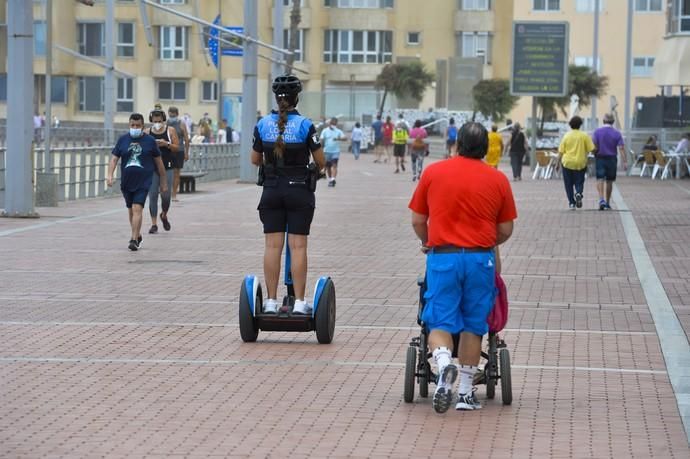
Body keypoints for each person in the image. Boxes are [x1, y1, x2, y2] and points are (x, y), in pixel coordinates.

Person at [408, 122, 517, 413]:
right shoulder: (497, 179)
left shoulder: (433, 172)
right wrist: (486, 240)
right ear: (485, 148)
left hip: (443, 256)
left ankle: (443, 364)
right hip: (481, 259)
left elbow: (418, 220)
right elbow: (506, 228)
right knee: (473, 323)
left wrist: (427, 241)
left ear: (456, 144)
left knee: (439, 320)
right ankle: (467, 394)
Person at [250, 74, 326, 315]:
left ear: (276, 98)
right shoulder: (305, 125)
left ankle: (270, 302)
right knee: (298, 246)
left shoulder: (263, 124)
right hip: (299, 190)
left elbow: (254, 160)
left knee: (273, 247)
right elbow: (320, 161)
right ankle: (301, 303)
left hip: (271, 190)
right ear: (297, 98)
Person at [107, 113, 167, 251]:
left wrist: (163, 182)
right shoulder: (122, 140)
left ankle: (133, 239)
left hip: (143, 182)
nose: (135, 128)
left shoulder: (150, 141)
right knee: (130, 210)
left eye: (138, 125)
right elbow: (114, 159)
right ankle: (137, 234)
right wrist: (110, 175)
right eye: (132, 125)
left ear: (143, 126)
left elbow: (159, 163)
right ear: (129, 125)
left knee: (137, 208)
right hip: (127, 182)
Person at [145, 105, 179, 233]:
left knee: (165, 195)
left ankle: (164, 214)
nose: (157, 123)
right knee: (153, 194)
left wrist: (167, 144)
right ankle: (154, 224)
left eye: (159, 121)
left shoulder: (170, 131)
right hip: (152, 167)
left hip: (167, 165)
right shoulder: (147, 132)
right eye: (155, 121)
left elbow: (177, 147)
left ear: (163, 120)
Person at [558, 116, 595, 210]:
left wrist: (557, 163)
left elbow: (561, 151)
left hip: (567, 163)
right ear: (580, 125)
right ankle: (578, 192)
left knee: (568, 183)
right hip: (580, 162)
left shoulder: (566, 136)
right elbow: (592, 149)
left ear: (570, 125)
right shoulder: (584, 136)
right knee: (579, 181)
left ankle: (571, 203)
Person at [592, 113, 628, 210]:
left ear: (603, 121)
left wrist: (593, 152)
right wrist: (625, 161)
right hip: (612, 159)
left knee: (600, 179)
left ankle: (601, 199)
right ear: (613, 122)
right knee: (609, 181)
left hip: (600, 157)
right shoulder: (617, 133)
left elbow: (594, 146)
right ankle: (607, 202)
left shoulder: (597, 132)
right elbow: (621, 148)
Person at [167, 106, 190, 203]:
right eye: (170, 114)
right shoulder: (165, 123)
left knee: (176, 173)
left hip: (179, 151)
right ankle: (166, 193)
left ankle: (174, 195)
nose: (171, 116)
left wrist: (186, 152)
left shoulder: (181, 124)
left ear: (177, 114)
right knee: (167, 172)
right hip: (168, 151)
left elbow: (186, 139)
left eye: (173, 114)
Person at [320, 117, 345, 187]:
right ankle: (331, 178)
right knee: (328, 166)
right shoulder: (325, 131)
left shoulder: (338, 131)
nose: (333, 124)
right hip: (327, 151)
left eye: (335, 123)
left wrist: (338, 138)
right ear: (330, 123)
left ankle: (333, 179)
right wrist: (320, 148)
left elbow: (345, 138)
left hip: (335, 151)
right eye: (332, 123)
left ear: (336, 124)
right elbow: (321, 139)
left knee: (334, 165)